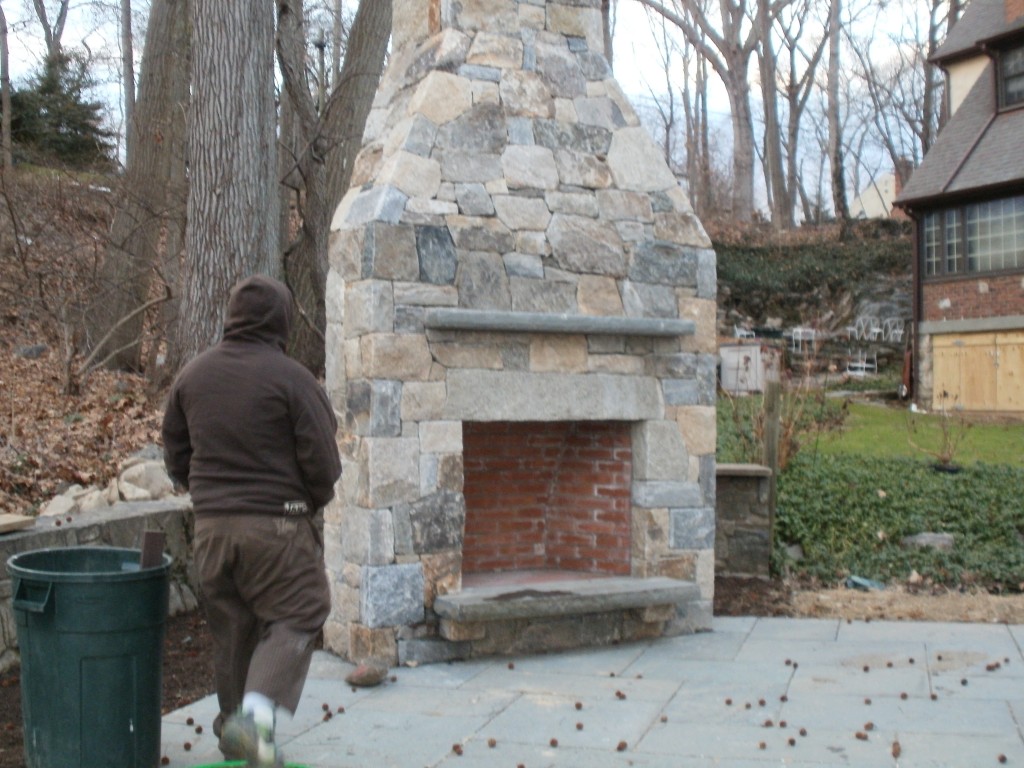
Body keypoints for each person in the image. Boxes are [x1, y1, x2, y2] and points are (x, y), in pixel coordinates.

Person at [162, 275, 341, 768]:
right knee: (302, 609)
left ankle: (236, 735)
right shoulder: (292, 379)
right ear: (281, 320)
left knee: (235, 629)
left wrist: (207, 496)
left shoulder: (192, 376)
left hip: (212, 529)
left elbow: (175, 453)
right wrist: (310, 502)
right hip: (276, 526)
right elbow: (324, 463)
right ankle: (253, 722)